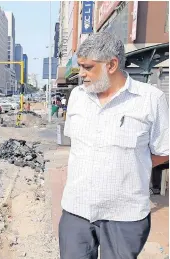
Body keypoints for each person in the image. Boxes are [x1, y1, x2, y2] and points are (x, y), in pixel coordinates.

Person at [59, 32, 169, 259]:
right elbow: (77, 146)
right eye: (80, 67)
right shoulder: (78, 97)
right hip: (76, 210)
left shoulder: (150, 99)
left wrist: (130, 166)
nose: (81, 74)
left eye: (87, 67)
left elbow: (163, 151)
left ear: (111, 65)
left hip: (124, 215)